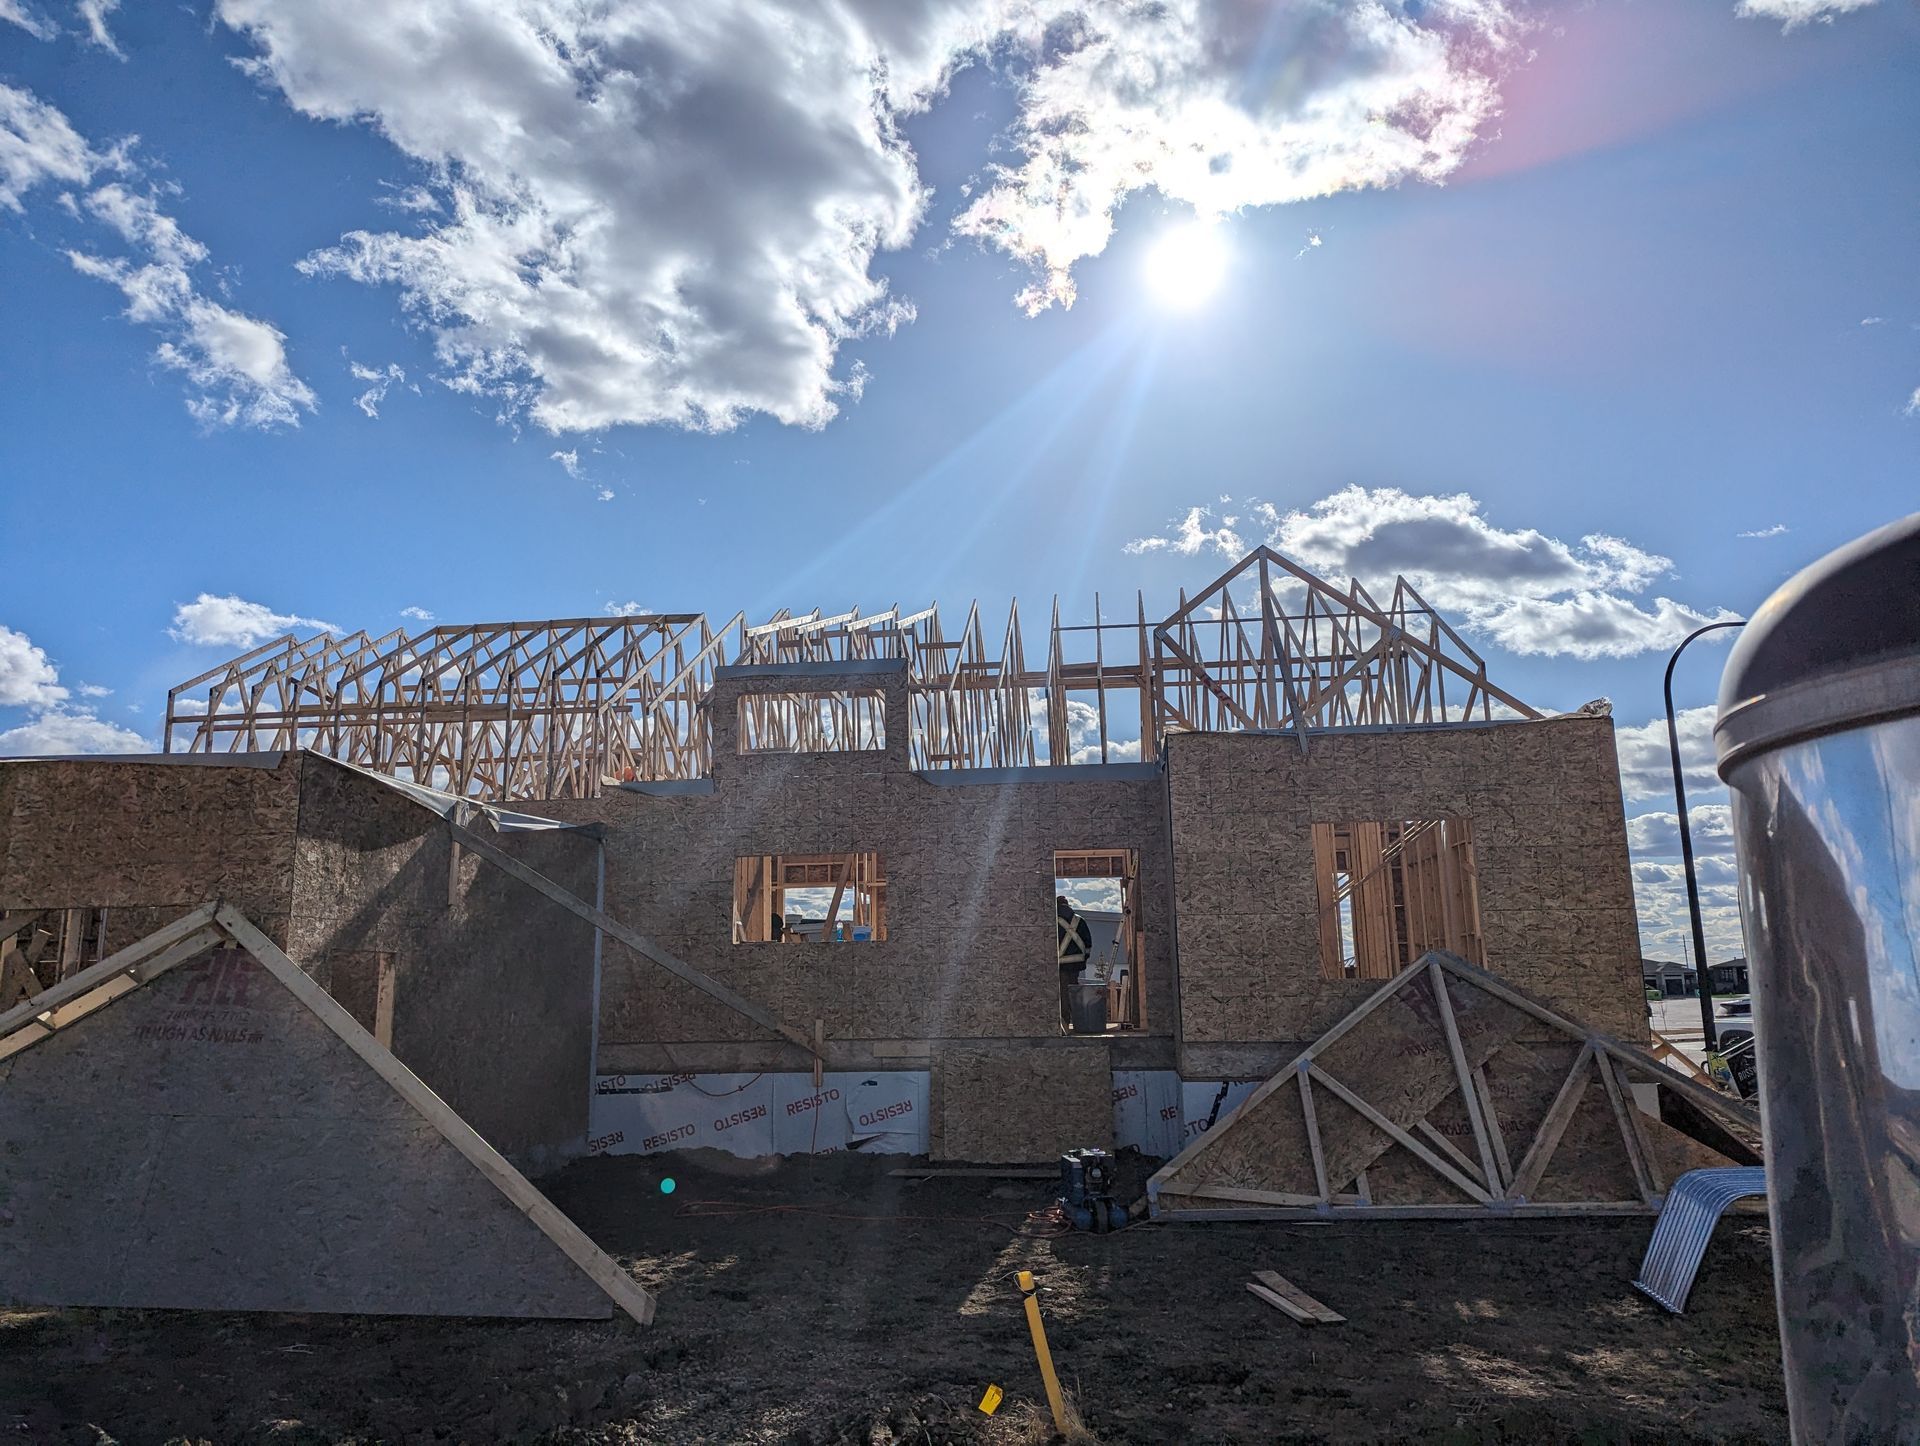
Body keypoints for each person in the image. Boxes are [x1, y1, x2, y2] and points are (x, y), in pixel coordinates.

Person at [1056, 895, 1091, 1032]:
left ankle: (1065, 1022)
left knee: (1063, 993)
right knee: (1074, 992)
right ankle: (1079, 1022)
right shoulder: (1079, 920)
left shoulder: (1053, 921)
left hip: (1060, 964)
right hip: (1076, 964)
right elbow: (1088, 943)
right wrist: (1084, 959)